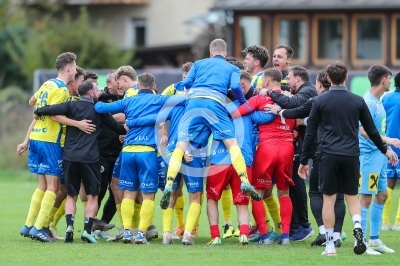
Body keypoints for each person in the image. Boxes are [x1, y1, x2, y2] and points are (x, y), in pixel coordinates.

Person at [298, 62, 398, 256]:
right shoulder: (357, 101)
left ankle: (329, 246)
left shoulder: (320, 101)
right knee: (352, 197)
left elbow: (310, 133)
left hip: (328, 155)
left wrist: (303, 161)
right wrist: (385, 149)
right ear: (345, 78)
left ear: (327, 79)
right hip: (352, 155)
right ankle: (358, 229)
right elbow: (371, 131)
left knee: (329, 199)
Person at [161, 39, 261, 217]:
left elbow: (186, 83)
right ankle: (244, 180)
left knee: (180, 145)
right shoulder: (232, 68)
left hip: (193, 103)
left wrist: (194, 90)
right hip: (215, 103)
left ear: (210, 52)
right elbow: (237, 87)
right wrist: (242, 101)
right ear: (225, 52)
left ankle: (169, 182)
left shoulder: (199, 63)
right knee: (231, 144)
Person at [94, 72, 184, 244]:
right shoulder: (159, 99)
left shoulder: (128, 101)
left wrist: (98, 96)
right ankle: (142, 233)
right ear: (153, 85)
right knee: (148, 195)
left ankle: (127, 231)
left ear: (138, 86)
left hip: (127, 151)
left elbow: (100, 108)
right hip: (147, 152)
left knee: (128, 193)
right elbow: (178, 106)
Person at [34, 80, 126, 243]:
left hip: (69, 157)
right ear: (90, 94)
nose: (100, 93)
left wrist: (39, 110)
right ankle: (86, 231)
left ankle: (69, 226)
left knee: (71, 195)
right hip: (90, 159)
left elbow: (49, 110)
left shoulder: (71, 105)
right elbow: (118, 128)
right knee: (93, 196)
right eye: (97, 90)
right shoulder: (99, 111)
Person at [266, 69, 347, 247]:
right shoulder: (353, 100)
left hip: (325, 152)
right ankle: (338, 235)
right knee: (339, 196)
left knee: (317, 193)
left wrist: (279, 112)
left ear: (319, 83)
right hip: (348, 153)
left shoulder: (315, 98)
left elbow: (298, 111)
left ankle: (324, 232)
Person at [231, 68, 296, 245]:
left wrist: (255, 114)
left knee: (258, 192)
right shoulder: (290, 99)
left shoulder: (259, 98)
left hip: (267, 147)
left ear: (266, 82)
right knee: (284, 192)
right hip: (288, 146)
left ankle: (265, 236)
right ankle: (285, 236)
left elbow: (236, 113)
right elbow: (299, 119)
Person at [19, 52, 77, 242]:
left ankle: (28, 225)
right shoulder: (61, 89)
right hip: (51, 140)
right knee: (53, 186)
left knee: (42, 185)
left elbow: (31, 102)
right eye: (75, 67)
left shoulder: (48, 84)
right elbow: (54, 115)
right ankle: (38, 229)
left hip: (36, 137)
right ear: (68, 68)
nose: (75, 70)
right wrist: (78, 124)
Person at [264, 65, 317, 241]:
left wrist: (270, 94)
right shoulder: (303, 91)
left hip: (307, 146)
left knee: (297, 186)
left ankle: (304, 226)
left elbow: (292, 105)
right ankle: (296, 227)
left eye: (290, 78)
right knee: (293, 185)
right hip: (299, 144)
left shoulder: (307, 91)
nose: (287, 81)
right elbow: (294, 108)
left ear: (298, 79)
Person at [358, 65, 399, 254]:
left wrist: (387, 149)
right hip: (368, 157)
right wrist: (388, 141)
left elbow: (378, 130)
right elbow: (363, 131)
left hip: (380, 155)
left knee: (382, 194)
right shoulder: (367, 102)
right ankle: (362, 243)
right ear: (383, 80)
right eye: (389, 79)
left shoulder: (379, 101)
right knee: (365, 197)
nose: (390, 82)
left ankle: (374, 240)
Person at [382, 72, 400, 231]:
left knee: (389, 184)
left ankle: (385, 221)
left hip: (388, 146)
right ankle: (398, 222)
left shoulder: (386, 98)